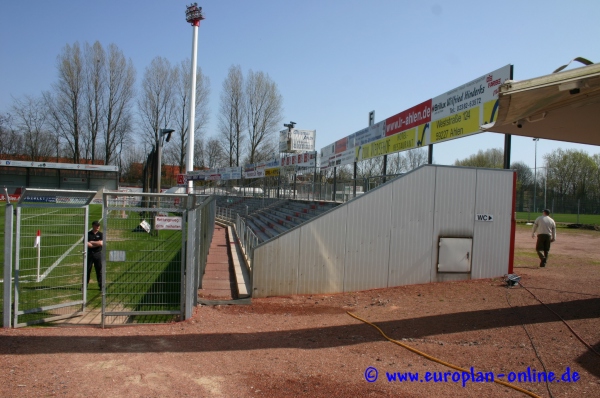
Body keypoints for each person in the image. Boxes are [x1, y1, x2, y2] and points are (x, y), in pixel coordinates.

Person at [87, 220, 103, 289]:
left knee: (99, 270)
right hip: (90, 254)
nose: (98, 227)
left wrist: (92, 242)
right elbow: (87, 245)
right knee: (87, 270)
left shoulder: (101, 234)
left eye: (98, 225)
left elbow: (101, 243)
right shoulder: (88, 234)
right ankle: (84, 286)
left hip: (98, 254)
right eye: (96, 225)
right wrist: (97, 243)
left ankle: (101, 285)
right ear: (93, 226)